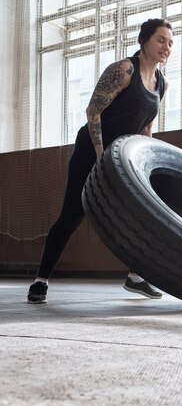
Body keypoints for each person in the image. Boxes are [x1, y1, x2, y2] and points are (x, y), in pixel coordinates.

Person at [28, 18, 173, 304]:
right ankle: (40, 280)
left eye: (170, 42)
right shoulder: (124, 70)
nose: (166, 47)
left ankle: (135, 276)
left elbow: (146, 126)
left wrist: (145, 160)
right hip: (91, 151)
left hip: (124, 158)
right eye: (160, 39)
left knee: (142, 214)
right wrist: (100, 156)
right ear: (144, 40)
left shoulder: (161, 84)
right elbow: (93, 111)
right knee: (72, 215)